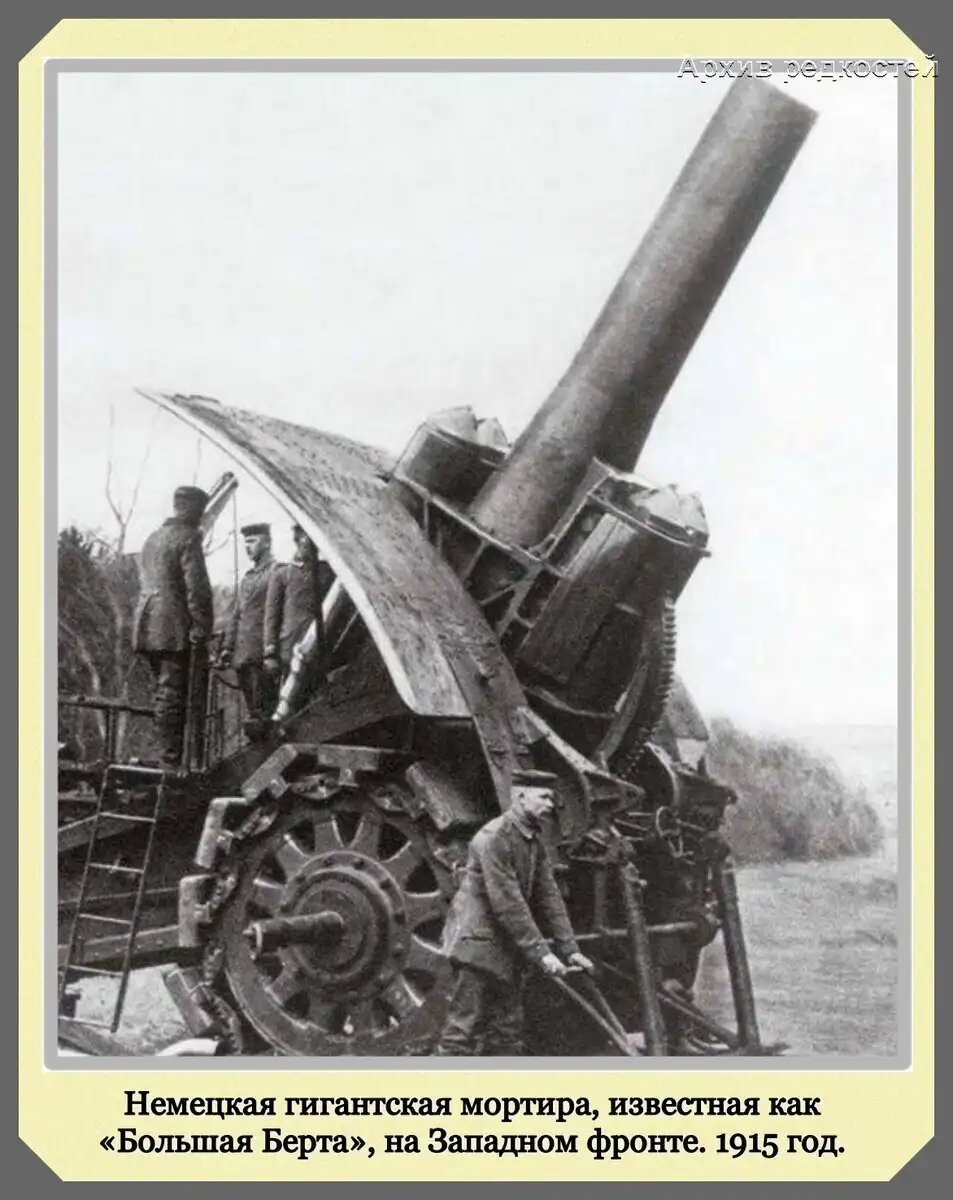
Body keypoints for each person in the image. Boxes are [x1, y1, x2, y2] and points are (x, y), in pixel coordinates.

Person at [435, 782, 594, 1056]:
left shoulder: (531, 839)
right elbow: (508, 902)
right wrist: (542, 954)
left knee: (507, 1032)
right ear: (521, 797)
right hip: (478, 946)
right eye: (544, 797)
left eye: (552, 798)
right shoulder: (494, 837)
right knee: (460, 1033)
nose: (551, 804)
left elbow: (549, 895)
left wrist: (570, 949)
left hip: (505, 947)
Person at [133, 485, 213, 767]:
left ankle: (167, 756)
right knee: (173, 693)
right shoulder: (188, 538)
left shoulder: (153, 537)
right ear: (195, 512)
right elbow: (197, 589)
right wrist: (202, 627)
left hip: (147, 625)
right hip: (172, 627)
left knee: (163, 691)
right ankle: (171, 761)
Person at [218, 522, 278, 739]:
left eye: (252, 541)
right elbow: (237, 614)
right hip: (242, 655)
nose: (247, 547)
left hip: (262, 654)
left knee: (265, 712)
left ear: (267, 543)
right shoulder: (248, 577)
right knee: (253, 710)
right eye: (245, 543)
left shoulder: (277, 572)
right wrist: (227, 647)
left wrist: (271, 650)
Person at [263, 524, 335, 685]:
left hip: (322, 648)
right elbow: (272, 616)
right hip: (291, 650)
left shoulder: (328, 571)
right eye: (301, 538)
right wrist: (270, 652)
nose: (305, 543)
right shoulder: (283, 574)